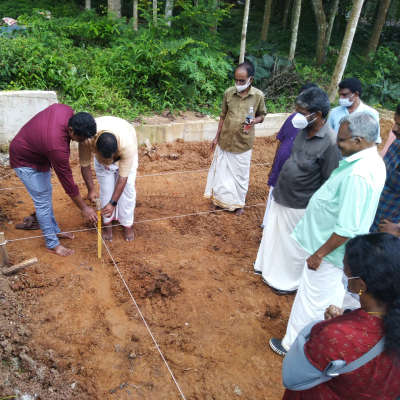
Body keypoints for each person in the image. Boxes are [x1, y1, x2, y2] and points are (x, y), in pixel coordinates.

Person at [269, 112, 386, 356]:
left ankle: (296, 346)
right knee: (327, 296)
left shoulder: (358, 174)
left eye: (342, 140)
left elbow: (346, 227)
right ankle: (316, 339)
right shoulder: (371, 162)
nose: (338, 144)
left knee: (312, 300)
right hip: (334, 252)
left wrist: (319, 254)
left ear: (359, 140)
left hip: (329, 253)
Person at [282, 233, 400, 400]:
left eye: (346, 272)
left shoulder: (335, 335)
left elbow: (292, 376)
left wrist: (335, 327)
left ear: (361, 285)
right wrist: (346, 319)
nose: (344, 277)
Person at [254, 87, 340, 295]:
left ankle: (286, 282)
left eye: (301, 112)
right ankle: (266, 269)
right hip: (282, 194)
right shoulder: (302, 131)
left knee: (291, 247)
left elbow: (330, 182)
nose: (296, 115)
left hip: (300, 204)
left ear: (317, 115)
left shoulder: (330, 143)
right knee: (274, 237)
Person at [9, 104, 98, 257]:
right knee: (42, 202)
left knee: (46, 194)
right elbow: (68, 183)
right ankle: (52, 244)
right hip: (24, 159)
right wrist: (84, 208)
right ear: (71, 130)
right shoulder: (57, 148)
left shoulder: (66, 110)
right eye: (80, 139)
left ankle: (55, 231)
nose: (81, 142)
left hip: (38, 152)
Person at [204, 60, 267, 215]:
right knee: (221, 174)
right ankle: (218, 201)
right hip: (225, 141)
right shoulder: (228, 93)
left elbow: (262, 115)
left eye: (242, 81)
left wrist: (254, 121)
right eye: (236, 80)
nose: (238, 83)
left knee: (240, 176)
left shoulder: (258, 96)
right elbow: (223, 116)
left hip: (243, 144)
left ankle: (238, 204)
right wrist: (216, 137)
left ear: (250, 79)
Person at [261, 83, 318, 228]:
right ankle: (267, 226)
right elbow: (280, 142)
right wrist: (274, 167)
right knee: (273, 197)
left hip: (298, 176)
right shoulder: (292, 118)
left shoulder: (318, 128)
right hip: (281, 167)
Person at [79, 116, 138, 242]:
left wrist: (113, 203)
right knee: (106, 190)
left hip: (125, 140)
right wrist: (91, 190)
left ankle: (127, 224)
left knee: (128, 191)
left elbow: (123, 178)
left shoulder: (128, 147)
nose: (108, 163)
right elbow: (84, 165)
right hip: (102, 141)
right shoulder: (87, 138)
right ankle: (107, 225)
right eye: (105, 161)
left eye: (110, 160)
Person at [371, 105, 400, 232]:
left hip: (389, 235)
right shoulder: (396, 145)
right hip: (371, 219)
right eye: (395, 122)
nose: (394, 129)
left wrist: (398, 229)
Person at [327, 77, 381, 143]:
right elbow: (328, 135)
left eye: (344, 95)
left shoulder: (371, 113)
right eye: (340, 95)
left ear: (356, 94)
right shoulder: (334, 112)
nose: (341, 98)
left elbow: (375, 140)